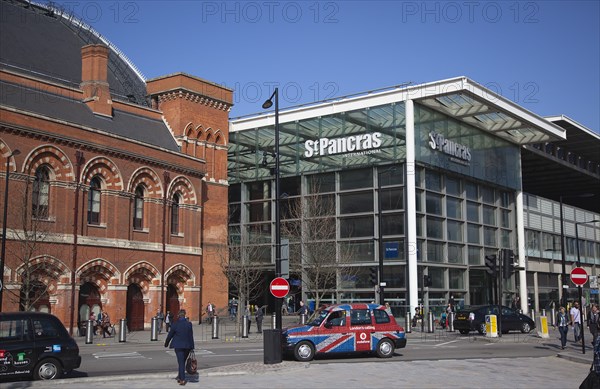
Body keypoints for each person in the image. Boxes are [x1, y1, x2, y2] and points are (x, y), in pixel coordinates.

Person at [164, 309, 195, 386]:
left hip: (178, 346)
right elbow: (191, 336)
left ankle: (182, 379)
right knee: (182, 362)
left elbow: (170, 335)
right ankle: (180, 376)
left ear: (178, 315)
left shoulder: (175, 324)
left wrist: (166, 343)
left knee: (181, 362)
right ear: (185, 315)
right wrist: (192, 347)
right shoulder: (189, 324)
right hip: (187, 346)